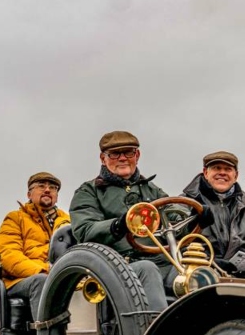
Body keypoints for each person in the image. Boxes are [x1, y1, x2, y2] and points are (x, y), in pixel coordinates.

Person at [70, 131, 170, 311]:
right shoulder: (89, 192)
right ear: (103, 158)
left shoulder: (151, 190)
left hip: (161, 260)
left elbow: (173, 217)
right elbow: (85, 230)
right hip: (118, 265)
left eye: (128, 152)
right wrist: (118, 225)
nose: (122, 158)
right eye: (115, 154)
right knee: (147, 270)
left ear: (137, 156)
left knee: (196, 272)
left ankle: (212, 334)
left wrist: (196, 215)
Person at [182, 151, 245, 279]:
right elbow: (173, 242)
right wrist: (210, 263)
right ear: (205, 172)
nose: (222, 172)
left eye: (228, 169)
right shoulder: (184, 203)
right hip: (198, 276)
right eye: (217, 168)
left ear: (236, 175)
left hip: (241, 279)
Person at [0, 172, 71, 320]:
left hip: (61, 275)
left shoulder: (67, 221)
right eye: (41, 186)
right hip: (22, 280)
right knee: (42, 281)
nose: (48, 190)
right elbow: (8, 256)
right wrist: (44, 270)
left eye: (53, 188)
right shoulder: (15, 218)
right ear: (29, 194)